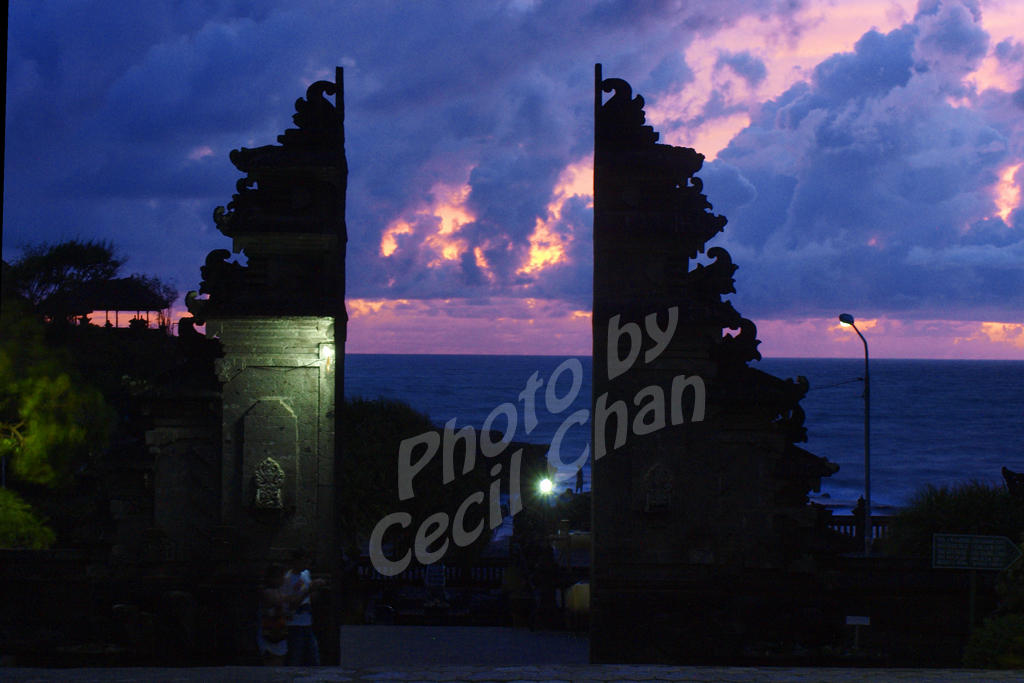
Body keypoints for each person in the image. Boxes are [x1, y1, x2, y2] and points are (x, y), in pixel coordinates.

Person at [283, 549, 326, 666]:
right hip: (294, 625)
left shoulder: (306, 574)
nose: (306, 563)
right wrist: (309, 590)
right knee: (295, 658)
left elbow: (311, 598)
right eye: (303, 560)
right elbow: (290, 605)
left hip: (307, 623)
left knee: (314, 658)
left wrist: (317, 589)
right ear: (295, 561)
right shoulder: (287, 578)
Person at [257, 564, 290, 666]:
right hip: (269, 634)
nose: (283, 579)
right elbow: (277, 601)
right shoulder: (267, 592)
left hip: (280, 634)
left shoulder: (280, 591)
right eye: (280, 577)